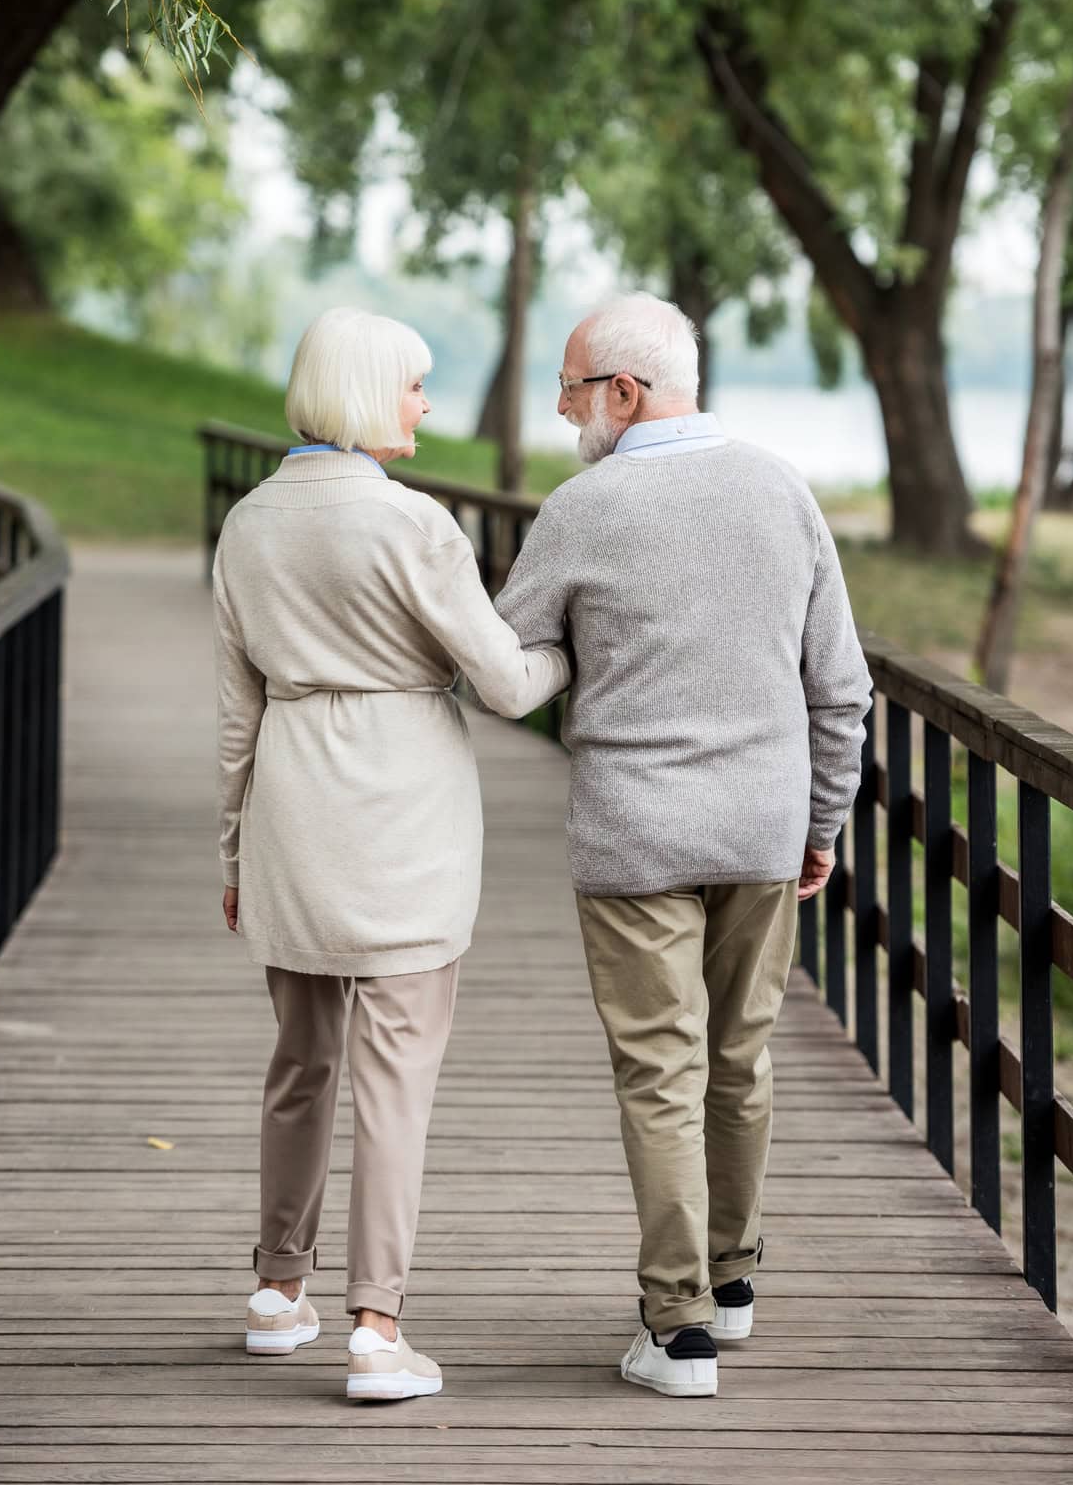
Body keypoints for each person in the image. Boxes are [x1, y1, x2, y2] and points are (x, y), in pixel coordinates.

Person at [495, 291, 871, 1399]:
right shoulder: (782, 488)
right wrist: (822, 823)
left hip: (635, 832)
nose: (566, 412)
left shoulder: (583, 507)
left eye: (571, 389)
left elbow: (504, 652)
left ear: (624, 389)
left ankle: (678, 1329)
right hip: (762, 824)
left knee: (662, 1070)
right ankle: (734, 1280)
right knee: (741, 1058)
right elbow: (841, 690)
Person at [212, 306, 571, 1404]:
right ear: (370, 394)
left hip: (291, 809)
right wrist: (565, 644)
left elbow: (235, 717)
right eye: (413, 385)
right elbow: (508, 682)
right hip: (402, 821)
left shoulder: (248, 525)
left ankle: (279, 1290)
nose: (425, 404)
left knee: (300, 1060)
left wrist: (233, 851)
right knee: (396, 1080)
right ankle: (377, 1325)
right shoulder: (415, 527)